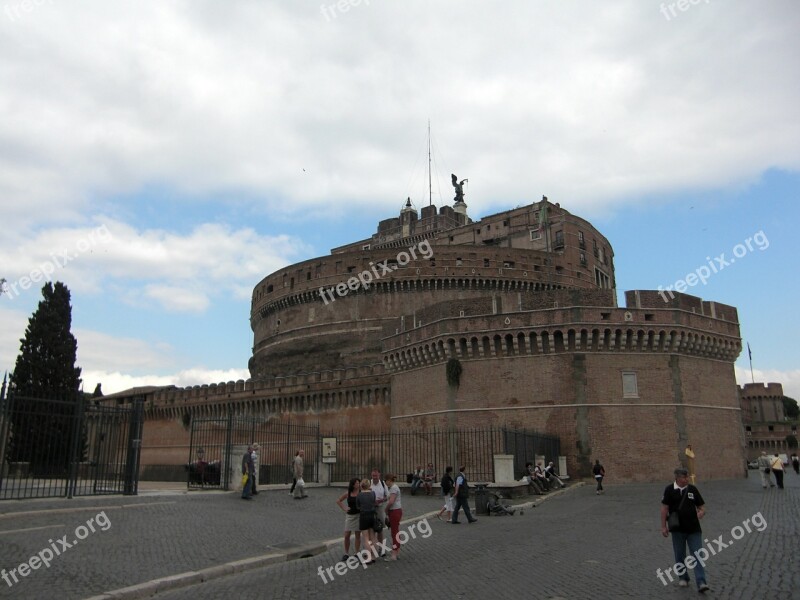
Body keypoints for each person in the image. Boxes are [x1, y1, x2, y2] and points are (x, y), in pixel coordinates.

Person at [660, 467, 709, 593]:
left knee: (698, 555)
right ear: (677, 478)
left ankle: (701, 582)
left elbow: (702, 507)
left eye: (687, 477)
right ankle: (683, 577)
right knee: (680, 555)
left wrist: (701, 513)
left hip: (694, 528)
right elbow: (664, 509)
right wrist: (663, 526)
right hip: (677, 529)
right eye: (684, 477)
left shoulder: (692, 489)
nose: (687, 479)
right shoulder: (669, 490)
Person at [336, 478, 361, 563]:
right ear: (353, 485)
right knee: (347, 535)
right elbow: (338, 500)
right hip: (350, 516)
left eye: (359, 483)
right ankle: (346, 553)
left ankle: (357, 552)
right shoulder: (348, 493)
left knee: (358, 535)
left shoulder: (361, 493)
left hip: (358, 515)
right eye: (357, 483)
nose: (358, 485)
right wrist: (344, 508)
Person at [356, 479, 377, 565]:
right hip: (372, 516)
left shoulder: (359, 495)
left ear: (361, 486)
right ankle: (373, 556)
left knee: (366, 538)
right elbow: (374, 502)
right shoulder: (373, 493)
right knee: (373, 537)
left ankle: (368, 558)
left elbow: (358, 506)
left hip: (364, 516)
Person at [369, 468, 389, 555]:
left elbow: (387, 496)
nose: (375, 477)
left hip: (380, 509)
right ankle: (372, 549)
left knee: (380, 529)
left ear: (379, 475)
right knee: (371, 530)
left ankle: (381, 549)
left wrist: (381, 500)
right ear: (371, 475)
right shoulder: (368, 483)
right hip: (370, 509)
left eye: (376, 475)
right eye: (373, 476)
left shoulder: (383, 484)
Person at [384, 474, 403, 561]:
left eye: (386, 481)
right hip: (395, 511)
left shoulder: (394, 488)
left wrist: (386, 509)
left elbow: (391, 501)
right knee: (395, 533)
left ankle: (394, 554)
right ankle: (397, 551)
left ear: (389, 480)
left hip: (394, 511)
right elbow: (388, 498)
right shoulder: (392, 488)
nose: (385, 482)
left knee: (394, 533)